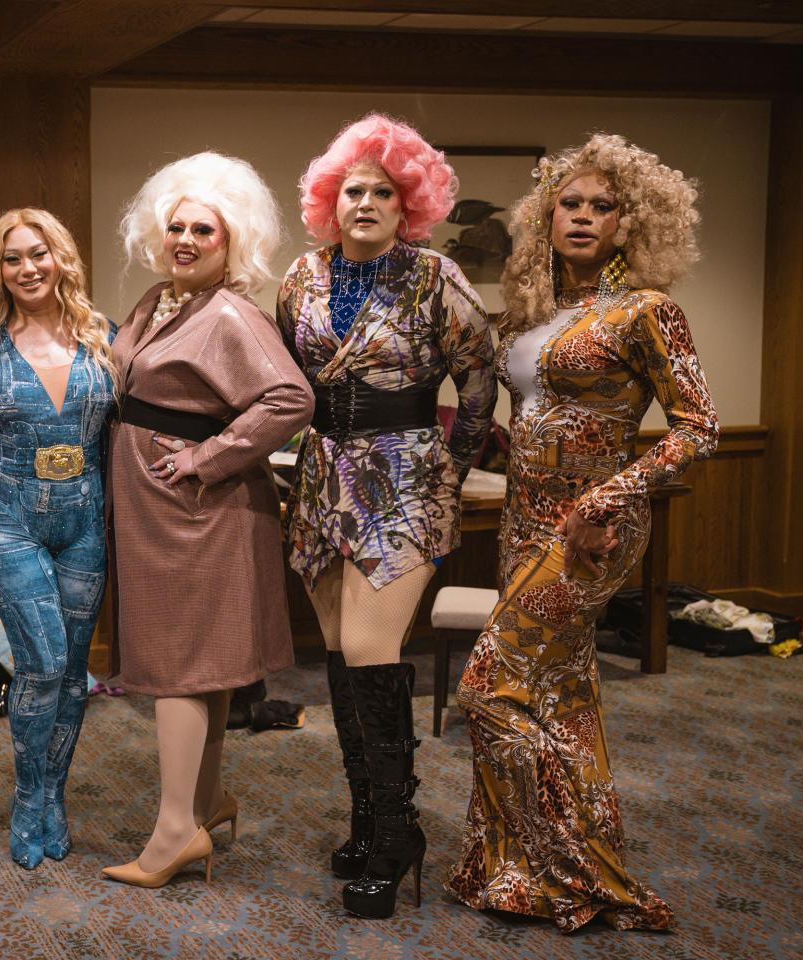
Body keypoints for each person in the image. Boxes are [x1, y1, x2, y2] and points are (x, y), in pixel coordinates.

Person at [446, 133, 716, 932]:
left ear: (631, 224)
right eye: (573, 203)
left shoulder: (648, 313)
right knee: (560, 691)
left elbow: (698, 428)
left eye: (605, 207)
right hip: (525, 517)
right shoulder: (534, 311)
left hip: (594, 527)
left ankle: (562, 857)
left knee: (487, 683)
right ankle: (519, 870)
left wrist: (615, 493)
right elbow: (514, 413)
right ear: (548, 214)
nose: (586, 217)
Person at [277, 113, 496, 919]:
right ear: (329, 202)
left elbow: (478, 385)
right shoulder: (300, 279)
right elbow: (290, 383)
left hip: (403, 473)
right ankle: (368, 821)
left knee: (373, 647)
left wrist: (450, 470)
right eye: (351, 190)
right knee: (337, 651)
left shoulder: (438, 278)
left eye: (384, 191)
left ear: (412, 205)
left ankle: (400, 829)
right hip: (321, 476)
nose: (364, 202)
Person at [101, 152, 313, 888]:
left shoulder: (230, 312)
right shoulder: (160, 299)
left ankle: (172, 833)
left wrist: (208, 457)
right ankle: (206, 801)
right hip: (155, 508)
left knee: (181, 668)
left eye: (204, 231)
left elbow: (290, 399)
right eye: (176, 227)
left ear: (233, 243)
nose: (185, 240)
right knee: (204, 665)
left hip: (197, 511)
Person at [0, 208, 116, 869]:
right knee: (42, 664)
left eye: (38, 253)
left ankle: (55, 796)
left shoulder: (104, 338)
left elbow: (124, 437)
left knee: (72, 676)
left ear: (61, 257)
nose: (28, 268)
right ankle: (26, 794)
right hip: (5, 518)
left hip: (84, 522)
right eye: (13, 258)